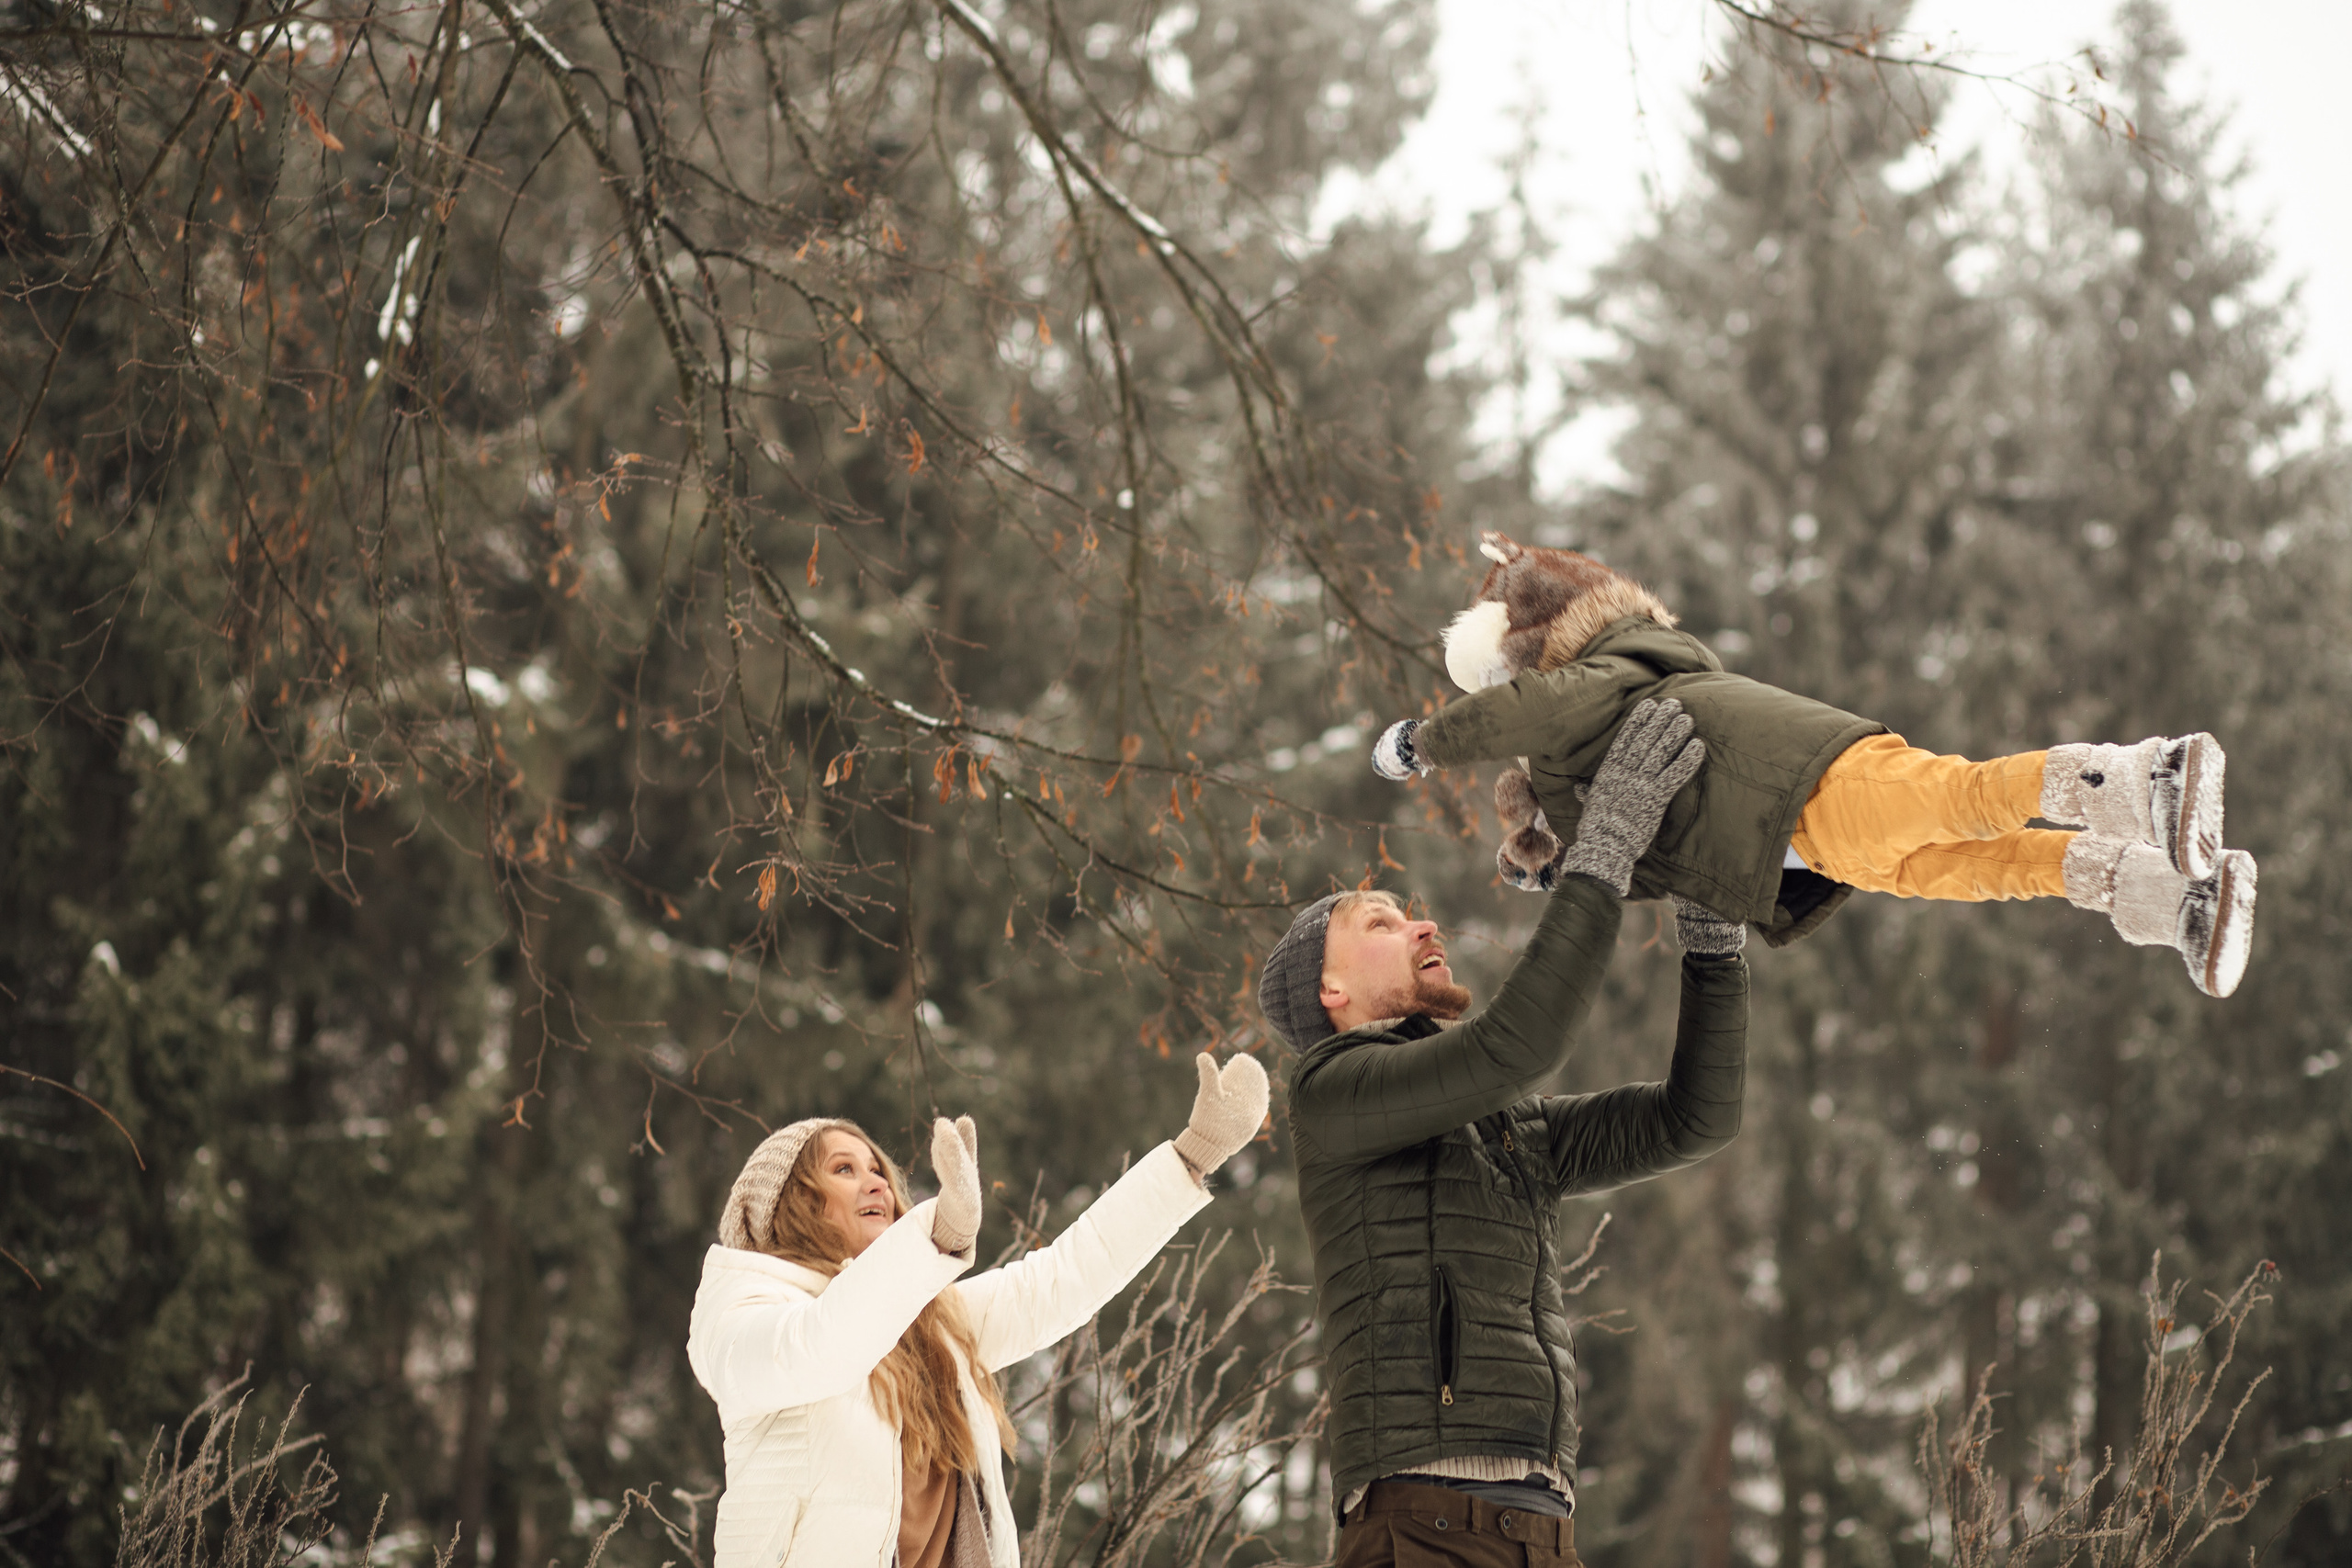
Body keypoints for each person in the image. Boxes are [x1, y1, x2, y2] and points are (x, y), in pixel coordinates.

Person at [1262, 700, 1748, 1567]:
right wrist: (1603, 849)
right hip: (1421, 1532)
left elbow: (1694, 1118)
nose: (1423, 923)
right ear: (1329, 991)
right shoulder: (1332, 1093)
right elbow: (1518, 1043)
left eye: (1409, 912)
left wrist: (1711, 943)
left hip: (1541, 1534)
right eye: (1380, 921)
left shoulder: (1503, 1126)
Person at [1368, 530, 2256, 996]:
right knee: (1993, 870)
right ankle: (2171, 897)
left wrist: (1424, 742)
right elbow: (1649, 857)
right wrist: (1563, 863)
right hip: (1801, 844)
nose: (1498, 708)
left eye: (1493, 685)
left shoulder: (1604, 674)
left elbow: (1538, 708)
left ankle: (2150, 776)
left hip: (1807, 783)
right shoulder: (1584, 742)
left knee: (1969, 798)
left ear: (1520, 660)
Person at [686, 1050, 1268, 1568]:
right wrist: (933, 1237)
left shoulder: (930, 1325)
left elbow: (1058, 1281)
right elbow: (822, 1348)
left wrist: (1192, 1155)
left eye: (878, 1171)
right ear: (790, 1205)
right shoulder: (741, 1316)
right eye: (843, 1170)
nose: (878, 1186)